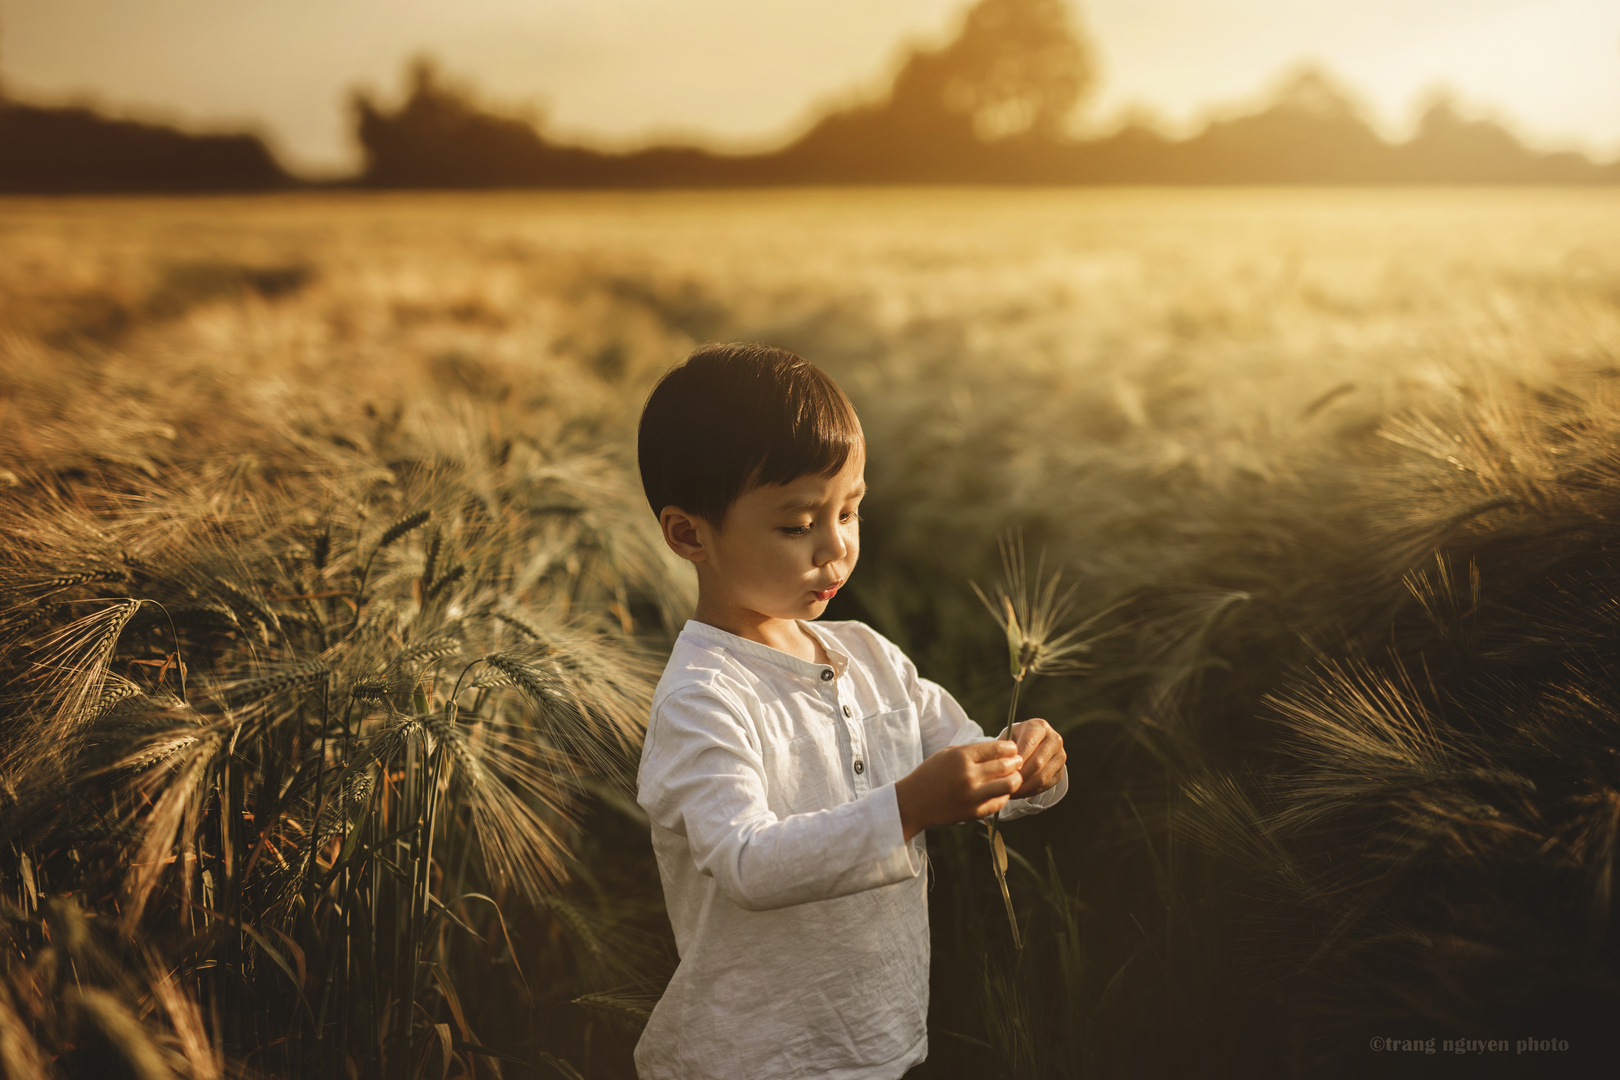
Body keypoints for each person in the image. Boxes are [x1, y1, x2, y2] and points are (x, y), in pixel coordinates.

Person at [634, 342, 1069, 1079]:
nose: (835, 546)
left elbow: (964, 764)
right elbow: (746, 861)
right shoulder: (704, 698)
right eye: (797, 524)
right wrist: (909, 805)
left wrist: (1024, 765)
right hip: (754, 1055)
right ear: (689, 534)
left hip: (876, 1036)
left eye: (851, 510)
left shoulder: (870, 657)